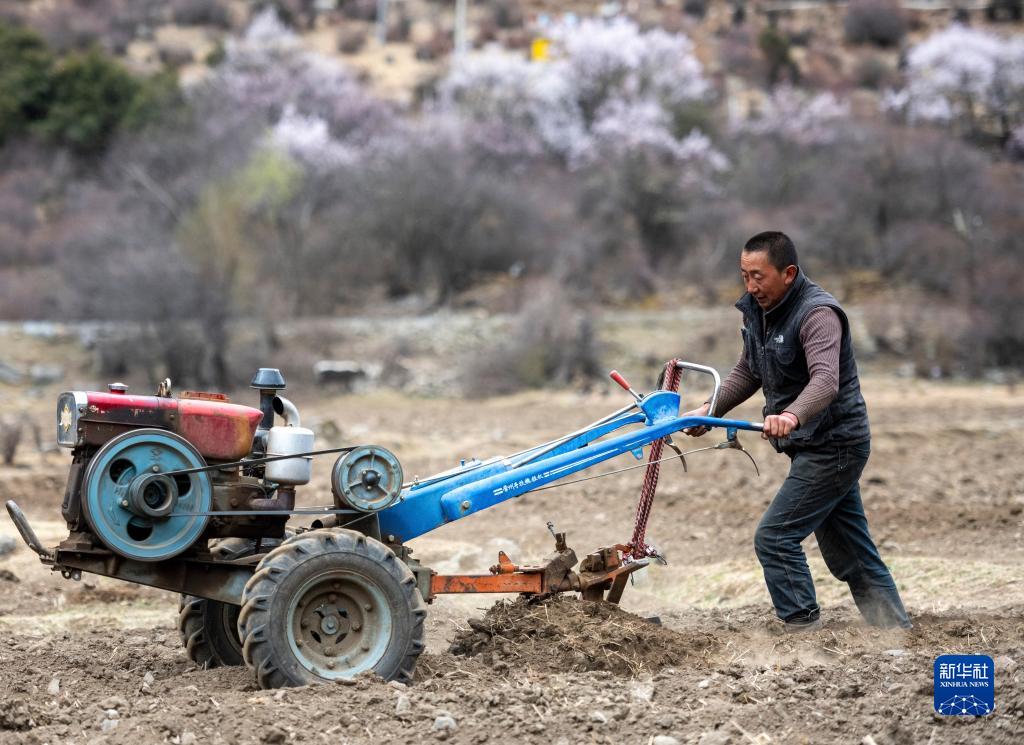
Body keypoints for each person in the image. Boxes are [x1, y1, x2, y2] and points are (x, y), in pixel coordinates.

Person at [683, 231, 911, 632]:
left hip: (835, 445)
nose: (750, 287)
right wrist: (709, 409)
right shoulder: (758, 310)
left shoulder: (818, 314)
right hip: (812, 444)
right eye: (744, 276)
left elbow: (825, 381)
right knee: (850, 551)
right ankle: (894, 629)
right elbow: (749, 369)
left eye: (758, 276)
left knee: (775, 538)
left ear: (788, 273)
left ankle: (801, 630)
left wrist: (791, 416)